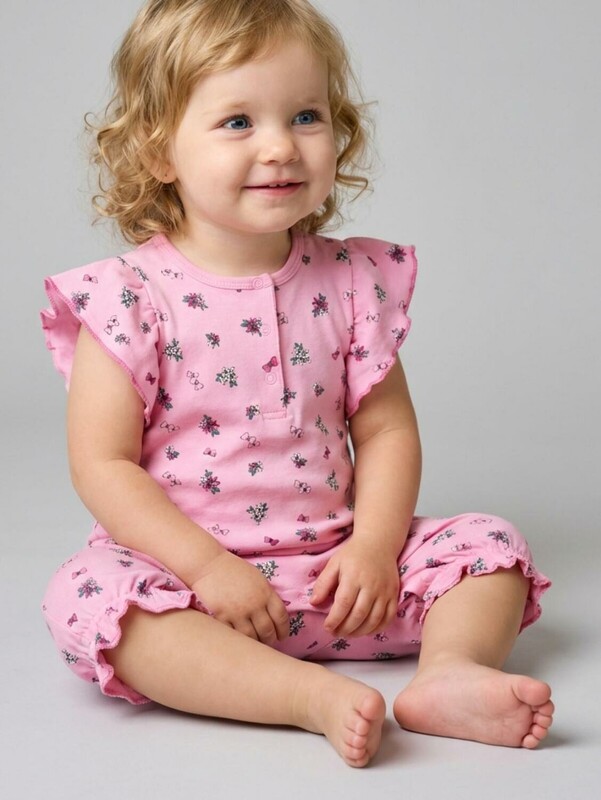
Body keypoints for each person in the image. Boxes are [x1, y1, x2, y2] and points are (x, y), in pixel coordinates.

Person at [40, 0, 554, 768]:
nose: (281, 146)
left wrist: (375, 548)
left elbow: (386, 430)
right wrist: (207, 569)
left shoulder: (349, 281)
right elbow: (102, 464)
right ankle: (301, 695)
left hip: (342, 582)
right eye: (237, 122)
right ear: (157, 150)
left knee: (491, 546)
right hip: (193, 591)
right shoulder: (128, 299)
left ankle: (448, 673)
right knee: (87, 594)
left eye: (305, 116)